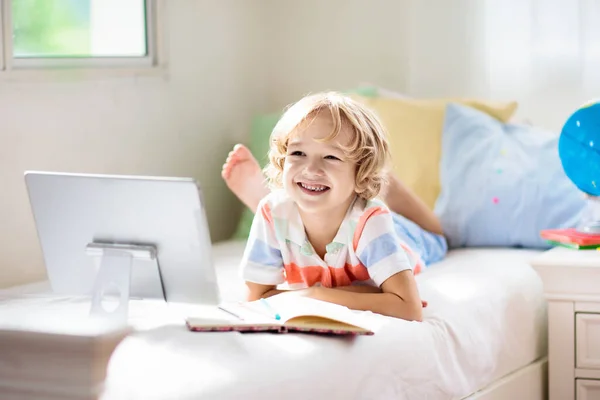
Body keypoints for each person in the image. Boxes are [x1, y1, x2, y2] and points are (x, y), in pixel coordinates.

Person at [221, 92, 447, 321]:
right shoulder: (271, 211)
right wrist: (363, 294)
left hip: (396, 235)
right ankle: (303, 193)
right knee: (280, 209)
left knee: (437, 237)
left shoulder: (371, 220)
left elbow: (409, 309)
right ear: (283, 159)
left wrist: (314, 293)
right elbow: (256, 300)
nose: (310, 169)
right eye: (298, 153)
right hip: (332, 219)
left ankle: (385, 182)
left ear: (360, 171)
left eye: (331, 157)